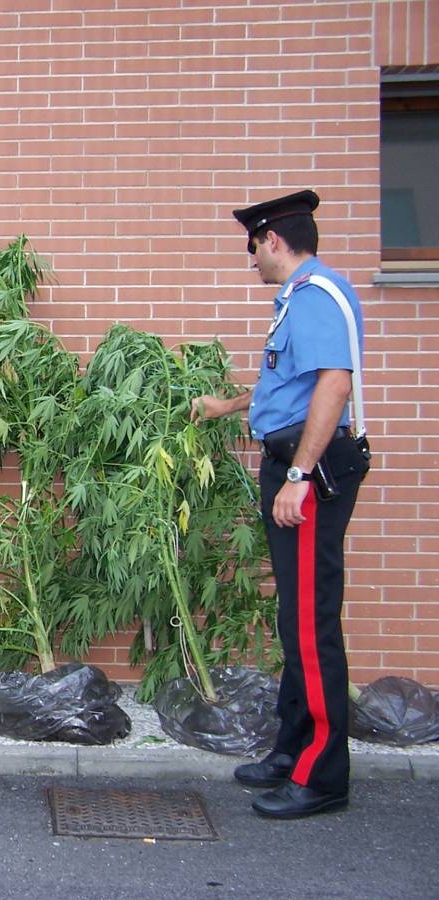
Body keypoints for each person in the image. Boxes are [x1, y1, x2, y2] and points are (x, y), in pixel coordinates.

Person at [192, 189, 371, 820]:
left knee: (312, 624)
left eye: (252, 247)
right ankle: (293, 747)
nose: (251, 260)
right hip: (294, 465)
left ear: (273, 240)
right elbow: (286, 381)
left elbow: (333, 382)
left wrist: (298, 474)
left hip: (311, 471)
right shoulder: (297, 299)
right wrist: (228, 406)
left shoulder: (319, 294)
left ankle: (322, 776)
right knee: (295, 619)